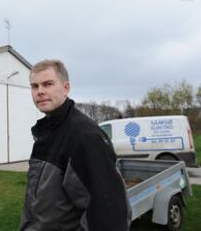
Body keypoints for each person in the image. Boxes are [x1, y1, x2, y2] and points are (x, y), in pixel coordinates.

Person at [19, 59, 131, 231]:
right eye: (35, 86)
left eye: (48, 84)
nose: (40, 91)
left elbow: (109, 216)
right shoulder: (48, 132)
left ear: (66, 88)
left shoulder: (84, 137)